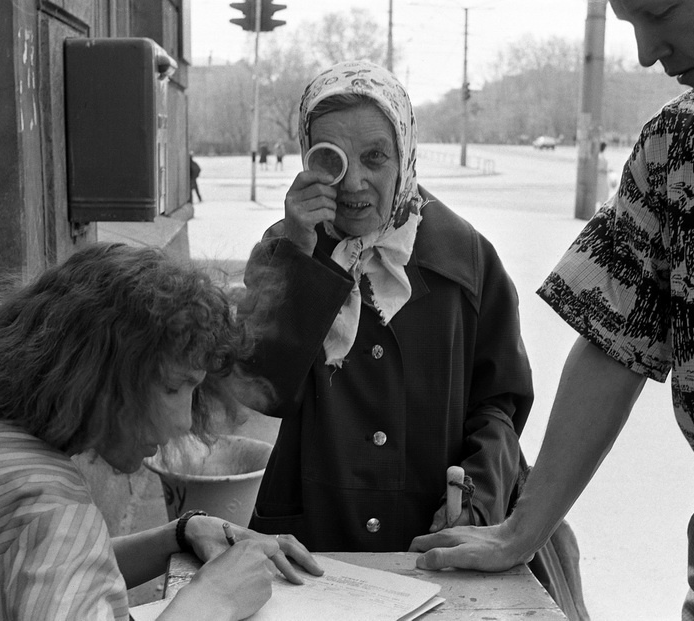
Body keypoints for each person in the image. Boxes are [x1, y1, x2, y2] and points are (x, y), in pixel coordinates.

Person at [410, 1, 694, 618]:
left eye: (662, 10)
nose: (647, 51)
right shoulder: (678, 147)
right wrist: (522, 530)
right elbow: (614, 341)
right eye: (629, 21)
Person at [0, 243, 322, 620]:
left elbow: (31, 570)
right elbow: (49, 539)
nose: (184, 421)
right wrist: (215, 601)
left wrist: (178, 535)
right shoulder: (50, 508)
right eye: (172, 387)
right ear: (100, 375)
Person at [237, 60, 588, 619]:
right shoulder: (288, 251)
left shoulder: (467, 260)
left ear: (405, 155)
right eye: (333, 158)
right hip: (315, 542)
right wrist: (301, 259)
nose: (353, 183)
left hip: (433, 547)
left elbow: (498, 403)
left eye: (375, 157)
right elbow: (262, 390)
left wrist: (474, 498)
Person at [596, 141, 610, 208]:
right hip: (601, 177)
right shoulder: (600, 156)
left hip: (602, 177)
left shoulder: (600, 156)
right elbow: (599, 168)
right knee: (602, 193)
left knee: (602, 193)